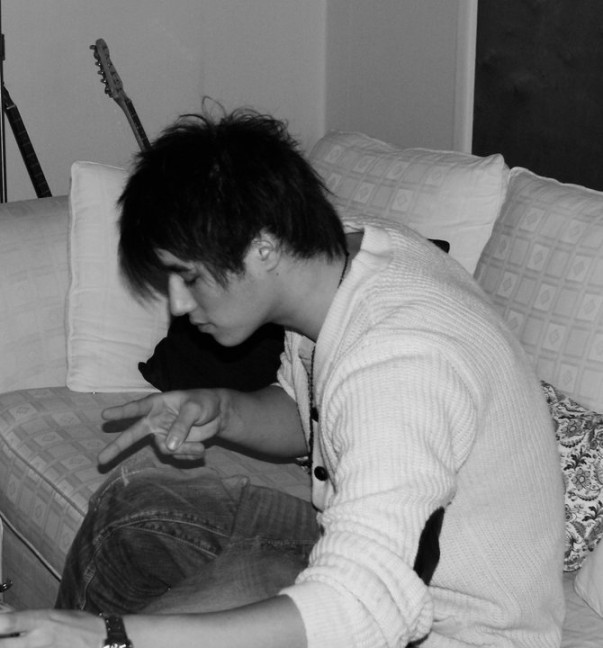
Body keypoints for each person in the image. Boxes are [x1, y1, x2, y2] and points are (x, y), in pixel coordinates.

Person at [0, 109, 566, 648]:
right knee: (135, 509)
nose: (178, 303)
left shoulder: (400, 360)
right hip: (383, 560)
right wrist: (222, 409)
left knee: (218, 595)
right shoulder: (349, 261)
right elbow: (310, 416)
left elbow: (364, 608)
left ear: (264, 247)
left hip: (448, 627)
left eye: (188, 276)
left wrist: (111, 636)